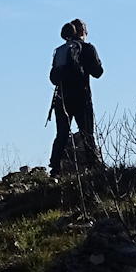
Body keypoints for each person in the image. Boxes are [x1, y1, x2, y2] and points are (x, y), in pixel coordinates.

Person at [49, 18, 104, 174]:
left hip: (62, 98)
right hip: (82, 96)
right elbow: (98, 72)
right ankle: (94, 167)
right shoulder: (87, 48)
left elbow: (54, 78)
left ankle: (55, 168)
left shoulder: (61, 50)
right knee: (87, 133)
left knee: (61, 133)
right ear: (83, 32)